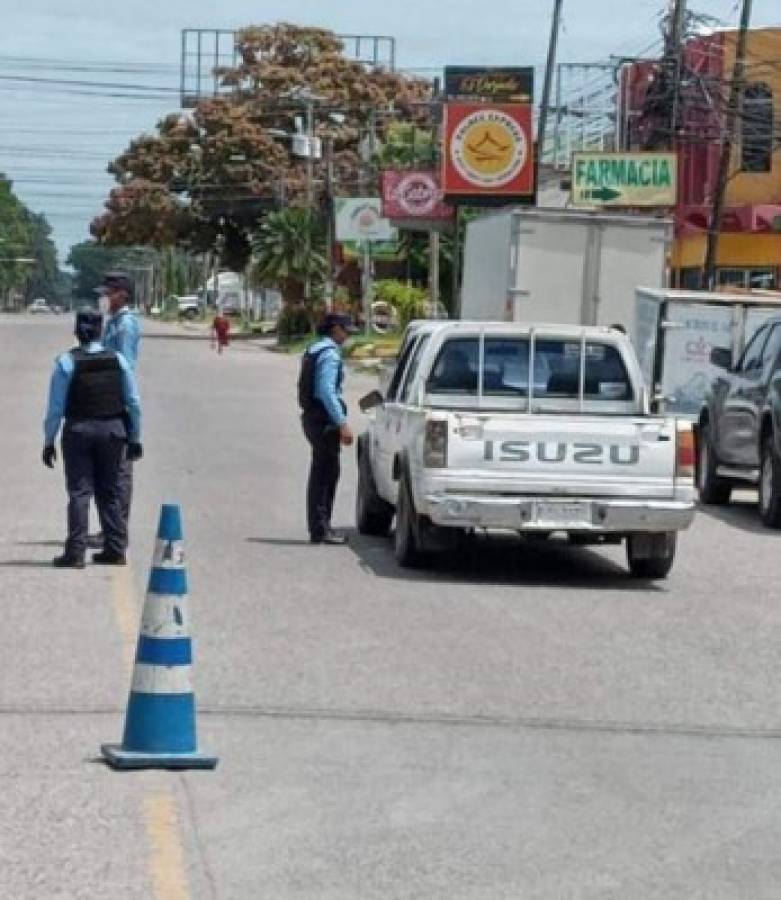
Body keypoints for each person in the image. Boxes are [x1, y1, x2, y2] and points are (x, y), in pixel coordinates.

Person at [42, 309, 142, 568]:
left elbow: (55, 408)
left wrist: (48, 441)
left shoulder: (66, 362)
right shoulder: (118, 360)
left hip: (79, 432)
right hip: (113, 431)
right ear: (101, 332)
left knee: (80, 492)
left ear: (76, 332)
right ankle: (115, 549)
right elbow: (133, 402)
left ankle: (75, 553)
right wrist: (135, 437)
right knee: (110, 491)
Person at [299, 312, 357, 545]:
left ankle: (319, 527)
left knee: (320, 473)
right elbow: (326, 391)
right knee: (326, 475)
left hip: (312, 418)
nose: (347, 334)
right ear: (335, 329)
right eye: (345, 329)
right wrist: (342, 423)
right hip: (324, 422)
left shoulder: (314, 350)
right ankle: (321, 529)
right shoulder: (330, 354)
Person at [99, 271, 141, 545]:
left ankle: (117, 531)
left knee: (119, 472)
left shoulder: (124, 325)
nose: (104, 298)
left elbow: (124, 367)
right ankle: (109, 529)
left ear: (121, 294)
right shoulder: (113, 322)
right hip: (108, 398)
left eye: (108, 292)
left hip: (119, 402)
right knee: (108, 472)